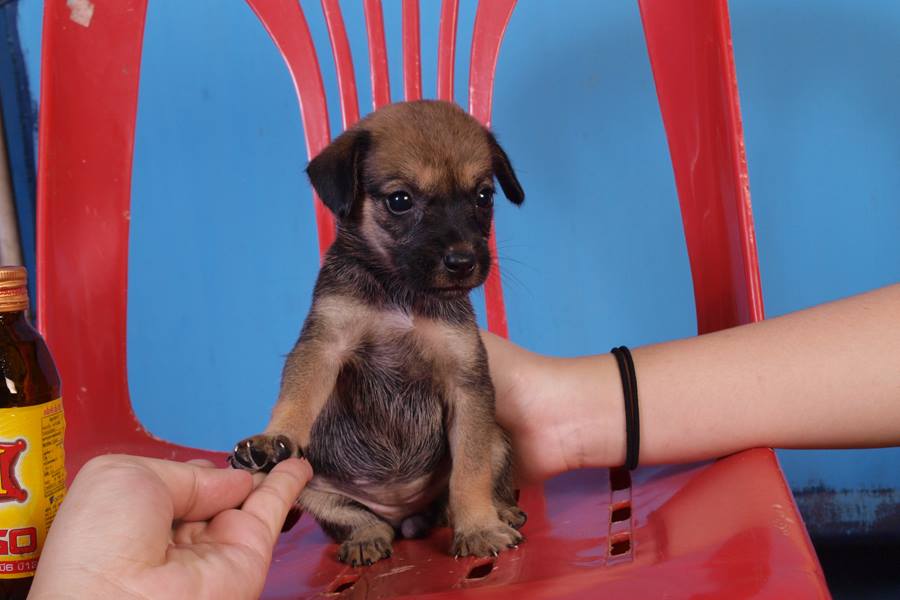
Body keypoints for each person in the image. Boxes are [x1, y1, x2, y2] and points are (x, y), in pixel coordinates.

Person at [28, 284, 900, 598]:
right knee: (315, 470)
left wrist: (480, 490)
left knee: (472, 412)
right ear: (348, 196)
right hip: (344, 484)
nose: (453, 239)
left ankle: (487, 483)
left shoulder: (442, 300)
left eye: (479, 200)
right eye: (403, 204)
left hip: (447, 480)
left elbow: (473, 398)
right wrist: (284, 434)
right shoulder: (344, 291)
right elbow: (313, 361)